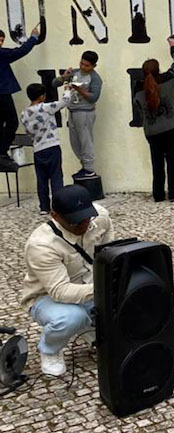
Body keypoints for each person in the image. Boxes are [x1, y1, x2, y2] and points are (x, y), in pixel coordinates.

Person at [21, 185, 115, 376]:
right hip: (46, 297)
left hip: (90, 285)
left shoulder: (101, 217)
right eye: (75, 222)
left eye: (87, 218)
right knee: (72, 317)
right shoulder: (41, 245)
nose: (83, 225)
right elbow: (60, 292)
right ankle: (49, 349)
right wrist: (106, 286)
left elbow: (111, 252)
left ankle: (91, 326)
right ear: (55, 216)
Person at [134, 37, 174, 203]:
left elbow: (138, 107)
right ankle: (173, 194)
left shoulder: (138, 88)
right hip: (171, 127)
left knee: (157, 165)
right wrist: (173, 46)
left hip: (152, 131)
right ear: (158, 70)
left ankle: (158, 195)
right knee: (173, 162)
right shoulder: (169, 80)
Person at [21, 83, 71, 216]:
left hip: (37, 149)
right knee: (56, 176)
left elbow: (27, 131)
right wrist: (67, 90)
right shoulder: (46, 107)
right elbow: (65, 102)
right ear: (42, 96)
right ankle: (58, 206)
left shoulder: (24, 113)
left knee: (42, 179)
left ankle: (44, 206)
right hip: (52, 145)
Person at [52, 50, 103, 179]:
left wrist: (80, 89)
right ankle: (84, 165)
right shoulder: (74, 73)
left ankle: (89, 168)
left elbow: (93, 97)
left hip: (85, 112)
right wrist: (64, 77)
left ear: (93, 66)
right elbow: (54, 83)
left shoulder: (95, 78)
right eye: (82, 63)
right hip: (72, 110)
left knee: (86, 140)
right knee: (75, 141)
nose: (83, 67)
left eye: (87, 65)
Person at [0, 24, 42, 171]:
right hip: (2, 93)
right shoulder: (1, 54)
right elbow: (19, 52)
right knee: (11, 122)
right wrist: (33, 38)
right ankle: (1, 152)